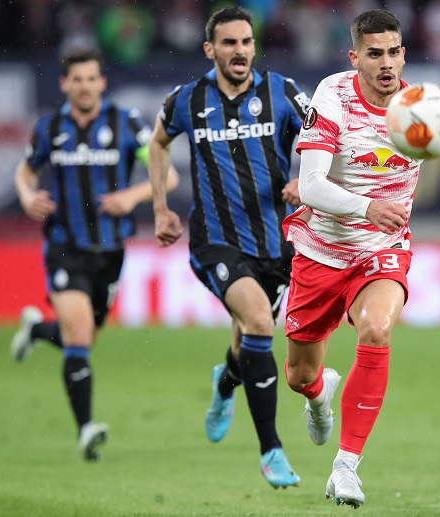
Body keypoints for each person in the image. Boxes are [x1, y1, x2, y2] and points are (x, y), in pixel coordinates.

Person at [281, 9, 440, 508]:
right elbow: (311, 186)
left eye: (393, 52)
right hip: (321, 250)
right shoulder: (334, 96)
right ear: (354, 58)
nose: (386, 63)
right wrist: (367, 206)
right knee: (299, 374)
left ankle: (346, 468)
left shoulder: (420, 105)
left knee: (376, 329)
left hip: (381, 249)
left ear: (404, 54)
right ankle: (320, 394)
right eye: (374, 54)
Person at [147, 6, 310, 488]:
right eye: (229, 43)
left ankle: (225, 383)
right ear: (210, 49)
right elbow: (158, 143)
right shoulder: (187, 100)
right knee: (259, 321)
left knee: (249, 340)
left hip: (276, 245)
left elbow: (326, 137)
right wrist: (160, 207)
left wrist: (305, 179)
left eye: (246, 42)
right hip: (215, 241)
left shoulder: (282, 92)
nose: (239, 51)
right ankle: (271, 451)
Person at [10, 47, 179, 461]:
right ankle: (86, 429)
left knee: (83, 337)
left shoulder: (126, 123)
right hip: (64, 247)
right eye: (77, 80)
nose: (84, 87)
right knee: (80, 332)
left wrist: (132, 196)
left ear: (102, 82)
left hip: (110, 251)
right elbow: (25, 171)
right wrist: (27, 196)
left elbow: (168, 175)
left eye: (91, 79)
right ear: (64, 84)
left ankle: (36, 331)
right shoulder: (49, 129)